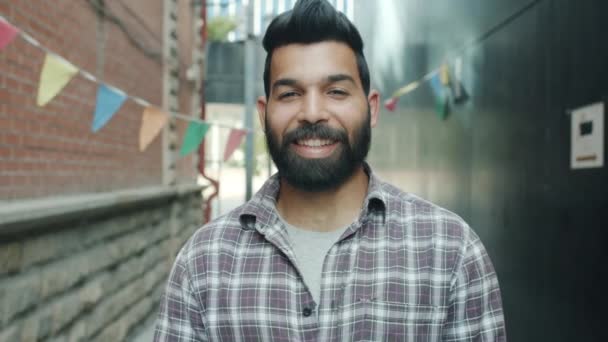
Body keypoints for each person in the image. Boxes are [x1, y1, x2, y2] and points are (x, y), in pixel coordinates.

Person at [154, 0, 506, 340]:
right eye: (290, 94)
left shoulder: (450, 251)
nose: (312, 112)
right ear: (263, 114)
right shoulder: (203, 263)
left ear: (372, 109)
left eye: (336, 91)